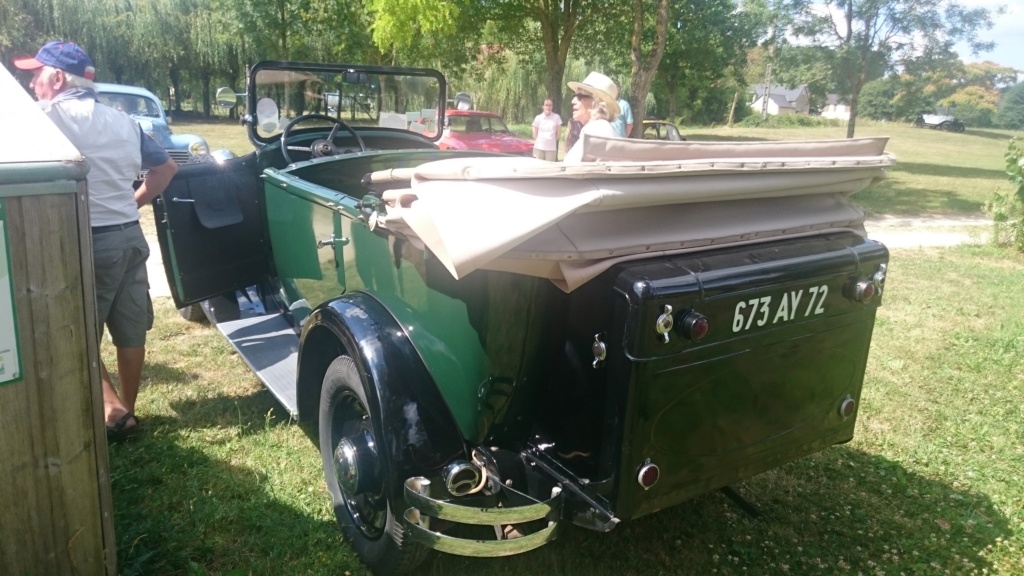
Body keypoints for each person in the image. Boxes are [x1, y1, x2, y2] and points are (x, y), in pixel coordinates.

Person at [14, 41, 178, 441]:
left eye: (35, 74)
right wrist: (131, 202)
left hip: (86, 241)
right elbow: (166, 169)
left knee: (77, 328)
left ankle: (113, 411)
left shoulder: (44, 117)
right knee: (130, 329)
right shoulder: (124, 121)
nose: (31, 83)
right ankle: (127, 407)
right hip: (129, 236)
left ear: (56, 77)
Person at [562, 71, 620, 163]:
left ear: (597, 102)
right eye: (574, 96)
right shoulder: (603, 128)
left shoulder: (595, 131)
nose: (573, 101)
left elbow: (571, 169)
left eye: (580, 96)